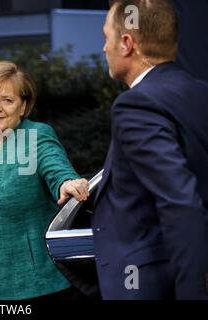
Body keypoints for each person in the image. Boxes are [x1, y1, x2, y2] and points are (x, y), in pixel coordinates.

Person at [93, 0, 208, 299]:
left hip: (150, 284)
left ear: (127, 44)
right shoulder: (200, 92)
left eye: (107, 37)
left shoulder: (137, 104)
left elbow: (180, 202)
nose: (104, 48)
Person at [0, 60, 89, 300]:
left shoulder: (36, 136)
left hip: (34, 285)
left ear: (24, 106)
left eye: (7, 100)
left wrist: (66, 182)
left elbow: (55, 167)